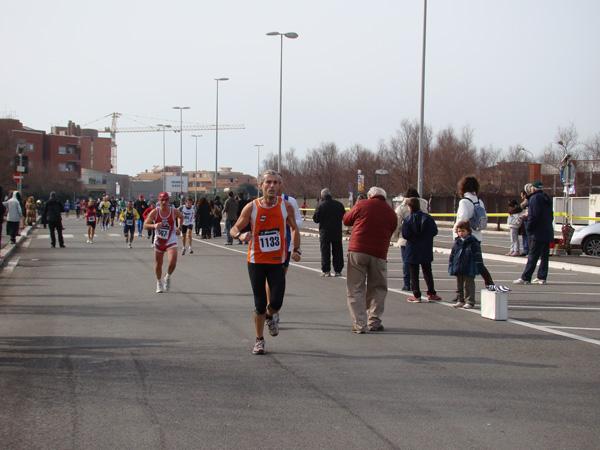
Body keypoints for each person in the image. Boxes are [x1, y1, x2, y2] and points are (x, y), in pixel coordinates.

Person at [230, 170, 301, 355]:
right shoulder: (251, 207)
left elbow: (293, 228)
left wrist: (297, 248)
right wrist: (240, 234)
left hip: (277, 260)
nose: (272, 186)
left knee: (276, 302)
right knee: (259, 303)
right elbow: (234, 228)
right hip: (256, 261)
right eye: (268, 182)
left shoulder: (286, 206)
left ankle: (270, 316)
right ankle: (259, 340)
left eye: (275, 182)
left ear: (280, 186)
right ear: (260, 185)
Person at [342, 186, 397, 333]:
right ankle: (374, 320)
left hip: (358, 250)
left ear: (370, 195)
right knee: (378, 287)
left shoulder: (362, 204)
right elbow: (393, 230)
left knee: (356, 287)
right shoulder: (391, 213)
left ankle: (360, 324)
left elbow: (346, 220)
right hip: (380, 253)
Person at [453, 176, 495, 288]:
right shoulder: (479, 202)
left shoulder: (464, 202)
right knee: (478, 262)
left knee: (461, 266)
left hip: (465, 239)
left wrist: (456, 235)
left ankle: (461, 293)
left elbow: (461, 220)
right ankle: (489, 283)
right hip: (477, 237)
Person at [402, 197, 441, 303]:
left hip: (412, 248)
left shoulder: (408, 220)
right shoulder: (428, 218)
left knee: (414, 272)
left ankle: (416, 294)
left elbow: (405, 235)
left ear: (409, 207)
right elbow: (434, 231)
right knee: (427, 271)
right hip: (426, 247)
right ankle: (431, 293)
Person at [514, 181, 554, 285]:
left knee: (533, 256)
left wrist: (529, 227)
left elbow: (534, 215)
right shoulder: (546, 198)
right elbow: (550, 215)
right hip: (547, 230)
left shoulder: (534, 198)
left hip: (538, 232)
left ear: (532, 189)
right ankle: (542, 277)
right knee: (544, 256)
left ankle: (526, 277)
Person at [144, 192, 184, 293]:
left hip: (171, 238)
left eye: (166, 200)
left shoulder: (173, 211)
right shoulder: (155, 212)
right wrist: (155, 226)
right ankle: (158, 282)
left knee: (173, 261)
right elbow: (145, 225)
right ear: (159, 201)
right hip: (159, 239)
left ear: (169, 201)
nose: (164, 202)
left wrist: (179, 228)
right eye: (162, 200)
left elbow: (181, 217)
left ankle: (168, 277)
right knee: (158, 263)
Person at [395, 188, 429, 291]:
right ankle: (415, 283)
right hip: (420, 239)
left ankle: (407, 284)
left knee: (406, 262)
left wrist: (396, 235)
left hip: (406, 239)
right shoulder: (424, 207)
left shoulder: (402, 207)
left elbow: (396, 222)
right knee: (418, 263)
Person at [449, 221, 485, 309]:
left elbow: (478, 256)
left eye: (463, 231)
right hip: (459, 267)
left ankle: (470, 301)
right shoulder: (457, 243)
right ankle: (460, 300)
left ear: (468, 231)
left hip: (469, 268)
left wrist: (479, 267)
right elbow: (452, 255)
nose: (461, 233)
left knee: (468, 286)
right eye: (459, 231)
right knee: (459, 286)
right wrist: (451, 266)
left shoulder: (473, 243)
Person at [313, 188, 346, 277]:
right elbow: (344, 216)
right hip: (337, 231)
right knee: (338, 252)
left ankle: (326, 270)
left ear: (322, 196)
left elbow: (316, 219)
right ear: (330, 194)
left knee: (325, 252)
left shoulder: (320, 206)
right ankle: (338, 270)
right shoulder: (339, 205)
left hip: (325, 232)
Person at [519, 188, 530, 256]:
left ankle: (527, 250)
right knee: (524, 235)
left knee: (528, 235)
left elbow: (521, 206)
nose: (521, 196)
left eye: (522, 194)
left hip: (527, 219)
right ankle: (525, 249)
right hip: (524, 219)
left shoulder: (528, 201)